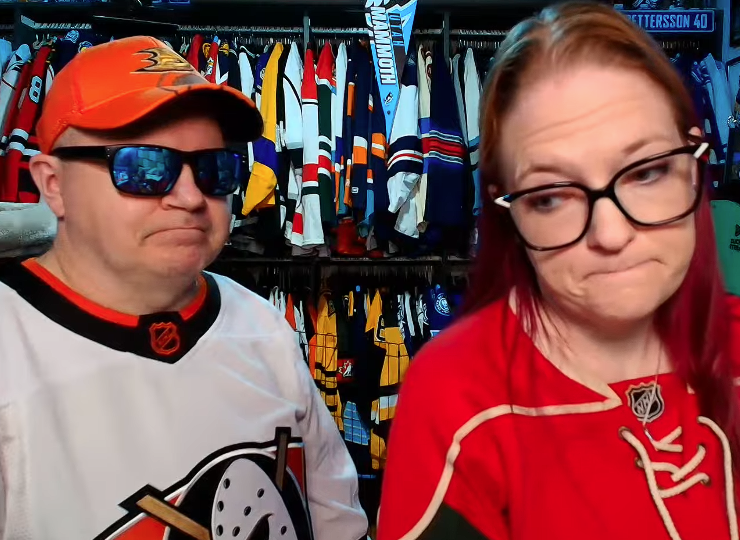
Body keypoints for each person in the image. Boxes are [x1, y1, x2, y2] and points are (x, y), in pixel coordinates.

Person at [377, 3, 740, 540]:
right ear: (507, 211)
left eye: (646, 172)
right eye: (551, 196)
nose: (611, 235)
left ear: (693, 162)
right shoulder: (457, 395)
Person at [0, 36, 368, 540]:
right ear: (53, 184)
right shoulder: (11, 352)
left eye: (215, 169)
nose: (192, 197)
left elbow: (336, 520)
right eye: (144, 167)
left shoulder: (262, 327)